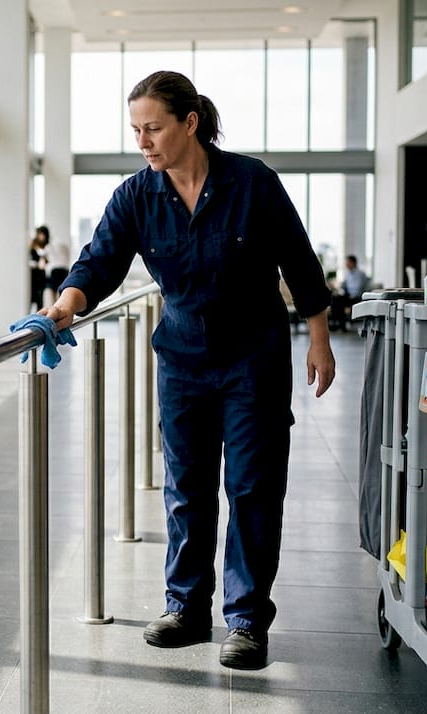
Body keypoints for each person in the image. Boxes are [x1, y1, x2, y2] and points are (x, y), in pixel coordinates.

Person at [37, 70, 335, 671]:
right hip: (182, 364)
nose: (143, 142)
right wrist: (65, 305)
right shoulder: (136, 196)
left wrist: (320, 340)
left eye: (153, 128)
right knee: (187, 489)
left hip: (253, 361)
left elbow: (300, 263)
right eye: (135, 130)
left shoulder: (252, 183)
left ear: (189, 122)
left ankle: (246, 620)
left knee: (253, 488)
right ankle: (187, 607)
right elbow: (100, 261)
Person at [330, 255, 368, 331]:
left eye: (348, 262)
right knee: (334, 299)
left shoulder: (360, 274)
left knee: (339, 301)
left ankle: (341, 325)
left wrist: (349, 293)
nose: (346, 264)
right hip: (348, 296)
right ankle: (335, 324)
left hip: (356, 297)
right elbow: (344, 286)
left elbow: (359, 288)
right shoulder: (348, 274)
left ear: (353, 263)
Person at [43, 230, 71, 307]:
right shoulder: (64, 246)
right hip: (65, 270)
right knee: (60, 293)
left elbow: (43, 263)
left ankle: (54, 308)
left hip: (55, 271)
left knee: (53, 293)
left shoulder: (48, 247)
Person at [28, 226, 49, 311]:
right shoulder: (32, 245)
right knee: (31, 298)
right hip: (33, 276)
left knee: (40, 300)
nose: (42, 236)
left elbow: (45, 262)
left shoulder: (47, 247)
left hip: (41, 277)